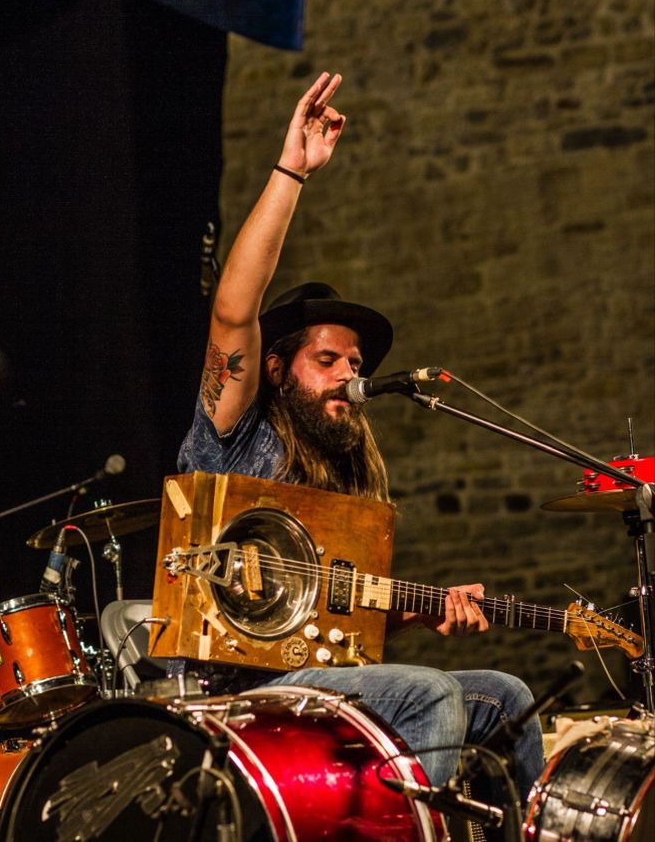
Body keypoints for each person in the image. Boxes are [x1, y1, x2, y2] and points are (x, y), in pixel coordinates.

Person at [178, 72, 544, 816]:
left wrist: (420, 611)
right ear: (275, 369)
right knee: (429, 692)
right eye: (328, 360)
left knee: (508, 696)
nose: (351, 374)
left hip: (319, 678)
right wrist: (292, 172)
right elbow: (233, 313)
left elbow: (336, 620)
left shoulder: (348, 470)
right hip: (236, 691)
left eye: (355, 362)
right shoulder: (236, 437)